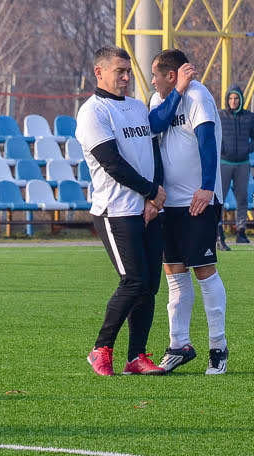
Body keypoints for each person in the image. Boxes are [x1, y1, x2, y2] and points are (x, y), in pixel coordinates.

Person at [77, 45, 178, 376]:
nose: (125, 77)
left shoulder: (137, 107)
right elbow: (112, 163)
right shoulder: (92, 112)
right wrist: (151, 191)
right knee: (133, 280)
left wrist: (153, 198)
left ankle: (136, 357)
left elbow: (153, 154)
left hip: (147, 210)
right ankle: (101, 349)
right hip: (115, 210)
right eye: (119, 71)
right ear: (100, 72)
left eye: (127, 71)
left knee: (149, 285)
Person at [149, 49, 229, 375]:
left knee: (204, 272)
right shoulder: (160, 99)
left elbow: (207, 142)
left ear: (171, 74)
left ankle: (218, 347)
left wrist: (207, 187)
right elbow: (154, 125)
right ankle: (178, 344)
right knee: (175, 276)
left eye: (156, 74)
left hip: (199, 200)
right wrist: (176, 92)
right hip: (170, 204)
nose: (152, 80)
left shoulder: (199, 95)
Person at [217, 84, 254, 249]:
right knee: (219, 199)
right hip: (224, 163)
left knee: (242, 199)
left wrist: (247, 150)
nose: (233, 101)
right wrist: (222, 150)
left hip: (242, 164)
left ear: (241, 100)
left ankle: (241, 232)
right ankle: (218, 231)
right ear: (227, 99)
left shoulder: (249, 117)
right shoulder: (220, 116)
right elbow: (214, 135)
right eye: (231, 98)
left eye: (236, 98)